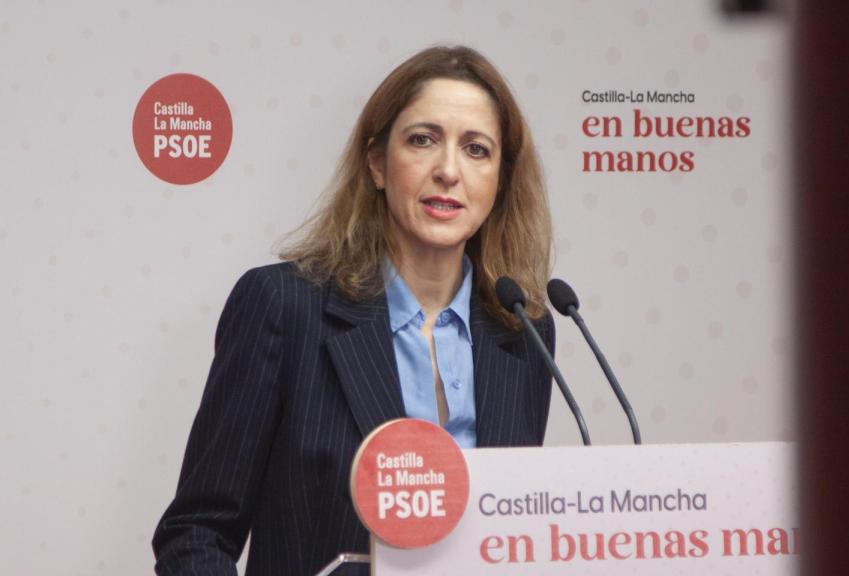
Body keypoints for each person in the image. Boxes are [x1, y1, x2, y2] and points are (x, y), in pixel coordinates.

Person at [152, 45, 555, 575]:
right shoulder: (284, 307)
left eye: (477, 149)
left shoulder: (524, 330)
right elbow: (197, 533)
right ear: (377, 163)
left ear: (500, 180)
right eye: (423, 140)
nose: (449, 171)